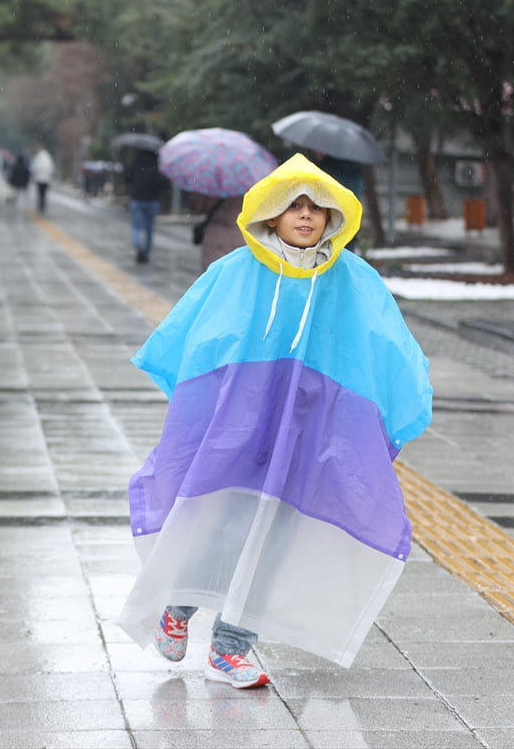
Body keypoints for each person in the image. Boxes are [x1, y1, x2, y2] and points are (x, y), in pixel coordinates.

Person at [116, 154, 433, 689]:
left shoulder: (353, 281)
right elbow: (197, 336)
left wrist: (397, 403)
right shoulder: (236, 272)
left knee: (276, 538)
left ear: (334, 218)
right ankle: (178, 608)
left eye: (317, 208)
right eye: (294, 206)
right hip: (239, 430)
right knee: (220, 520)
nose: (306, 217)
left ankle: (230, 649)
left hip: (311, 433)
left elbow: (388, 346)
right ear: (273, 215)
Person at [124, 151, 166, 263]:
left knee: (137, 226)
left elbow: (127, 178)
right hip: (152, 200)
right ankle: (146, 252)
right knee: (149, 229)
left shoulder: (136, 163)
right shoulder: (157, 165)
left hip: (137, 199)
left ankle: (138, 246)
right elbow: (162, 183)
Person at [188, 192, 245, 270]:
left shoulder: (210, 187)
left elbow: (197, 208)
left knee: (212, 272)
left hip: (215, 236)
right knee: (236, 273)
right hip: (239, 235)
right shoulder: (247, 188)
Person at [30, 147, 55, 215]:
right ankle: (43, 205)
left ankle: (39, 205)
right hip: (46, 180)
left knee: (39, 193)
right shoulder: (49, 159)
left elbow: (34, 168)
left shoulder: (38, 159)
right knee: (44, 194)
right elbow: (52, 169)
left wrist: (34, 176)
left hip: (39, 180)